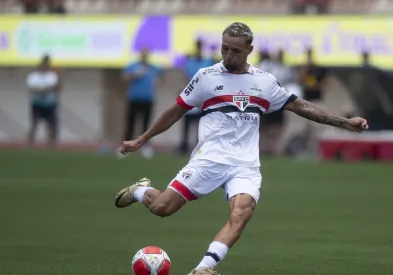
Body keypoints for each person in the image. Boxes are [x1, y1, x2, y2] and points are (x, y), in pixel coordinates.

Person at [114, 22, 368, 275]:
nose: (227, 55)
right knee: (162, 208)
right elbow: (176, 109)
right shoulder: (206, 77)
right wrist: (142, 139)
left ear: (249, 49)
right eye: (224, 48)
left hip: (245, 165)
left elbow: (302, 107)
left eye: (234, 50)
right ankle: (140, 191)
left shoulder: (264, 82)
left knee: (242, 212)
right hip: (209, 159)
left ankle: (203, 268)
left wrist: (345, 122)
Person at [121, 48, 162, 159]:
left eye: (146, 54)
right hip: (134, 98)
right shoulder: (133, 66)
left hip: (148, 99)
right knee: (131, 124)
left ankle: (145, 147)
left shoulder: (153, 67)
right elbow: (124, 79)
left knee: (146, 125)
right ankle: (126, 147)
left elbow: (162, 77)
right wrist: (135, 75)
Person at [178, 40, 214, 154]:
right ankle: (184, 145)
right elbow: (185, 78)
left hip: (203, 96)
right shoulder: (190, 62)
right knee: (187, 122)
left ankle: (199, 146)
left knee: (201, 124)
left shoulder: (207, 61)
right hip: (191, 95)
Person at [27, 55, 60, 148]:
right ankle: (30, 144)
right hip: (37, 103)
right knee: (34, 124)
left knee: (51, 125)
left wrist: (47, 89)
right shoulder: (34, 76)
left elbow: (56, 87)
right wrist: (39, 90)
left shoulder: (52, 75)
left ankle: (51, 144)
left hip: (50, 103)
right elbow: (30, 87)